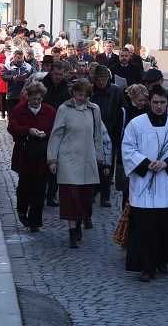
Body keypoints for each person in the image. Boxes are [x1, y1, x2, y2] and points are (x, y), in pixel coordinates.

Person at [121, 84, 168, 282]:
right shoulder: (136, 124)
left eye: (162, 102)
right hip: (144, 185)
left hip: (166, 185)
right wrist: (145, 164)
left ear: (167, 103)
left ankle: (162, 260)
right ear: (149, 102)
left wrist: (166, 163)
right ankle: (146, 266)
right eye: (154, 102)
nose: (159, 106)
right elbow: (127, 149)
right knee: (144, 229)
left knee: (165, 228)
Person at [47, 79, 103, 248]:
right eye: (80, 94)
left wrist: (100, 158)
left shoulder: (94, 110)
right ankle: (72, 234)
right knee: (71, 196)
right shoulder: (64, 109)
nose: (82, 98)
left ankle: (78, 224)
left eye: (85, 95)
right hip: (68, 159)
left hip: (87, 160)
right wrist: (52, 159)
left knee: (85, 198)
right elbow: (56, 134)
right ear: (73, 93)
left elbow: (98, 135)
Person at [7, 81, 56, 232]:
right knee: (24, 188)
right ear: (28, 97)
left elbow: (55, 130)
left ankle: (35, 221)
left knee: (39, 190)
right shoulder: (19, 110)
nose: (36, 102)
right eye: (33, 99)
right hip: (25, 155)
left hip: (42, 156)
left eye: (39, 99)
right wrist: (29, 130)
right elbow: (12, 127)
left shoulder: (50, 111)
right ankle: (22, 212)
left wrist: (44, 134)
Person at [90, 65, 127, 207]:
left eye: (103, 79)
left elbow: (122, 111)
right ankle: (93, 192)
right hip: (93, 130)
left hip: (111, 131)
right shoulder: (91, 91)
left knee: (107, 165)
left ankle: (105, 196)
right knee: (93, 163)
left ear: (108, 78)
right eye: (98, 80)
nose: (100, 82)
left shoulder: (116, 91)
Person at [112, 83, 149, 209]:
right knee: (127, 193)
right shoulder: (124, 112)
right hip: (127, 159)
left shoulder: (148, 111)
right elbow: (116, 135)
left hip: (145, 155)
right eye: (140, 100)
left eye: (145, 100)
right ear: (133, 98)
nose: (142, 103)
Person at [41, 60, 71, 207]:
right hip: (44, 126)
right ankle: (40, 192)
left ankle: (51, 194)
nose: (58, 77)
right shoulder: (42, 84)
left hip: (60, 128)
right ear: (51, 72)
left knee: (56, 162)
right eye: (56, 74)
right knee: (42, 161)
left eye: (61, 74)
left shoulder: (67, 87)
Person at [2, 49, 34, 114]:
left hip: (24, 93)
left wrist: (27, 80)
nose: (20, 60)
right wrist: (12, 78)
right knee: (12, 112)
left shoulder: (28, 67)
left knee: (23, 113)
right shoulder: (8, 66)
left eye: (21, 58)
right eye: (18, 58)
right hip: (12, 93)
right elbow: (3, 76)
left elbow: (32, 76)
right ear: (14, 57)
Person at [0, 43, 14, 119]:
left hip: (10, 78)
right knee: (2, 96)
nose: (9, 53)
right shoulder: (1, 57)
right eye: (8, 51)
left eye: (10, 51)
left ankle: (9, 111)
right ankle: (2, 111)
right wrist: (2, 70)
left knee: (10, 96)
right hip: (2, 79)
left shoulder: (13, 58)